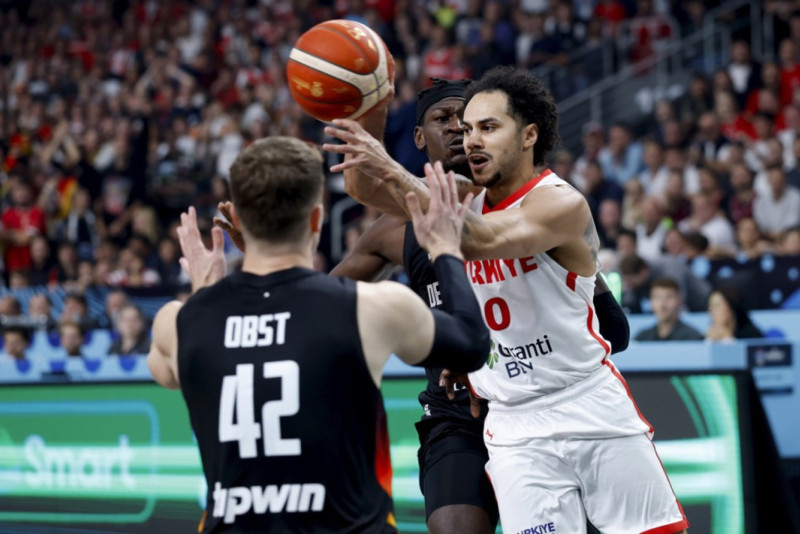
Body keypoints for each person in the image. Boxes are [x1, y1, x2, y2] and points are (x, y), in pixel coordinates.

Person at [217, 79, 629, 534]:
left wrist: (512, 349)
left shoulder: (529, 205)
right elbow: (320, 298)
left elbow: (614, 328)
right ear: (419, 137)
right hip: (457, 416)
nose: (457, 129)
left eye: (468, 122)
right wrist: (268, 254)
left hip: (539, 401)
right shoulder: (393, 229)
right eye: (443, 119)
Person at [324, 66, 688, 534]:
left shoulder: (560, 202)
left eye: (488, 127)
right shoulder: (461, 195)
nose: (470, 139)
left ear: (528, 135)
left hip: (585, 402)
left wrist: (389, 166)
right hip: (512, 423)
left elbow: (481, 237)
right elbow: (365, 187)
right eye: (467, 129)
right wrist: (371, 106)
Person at [147, 137, 490, 533]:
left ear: (237, 219)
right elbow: (471, 343)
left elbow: (178, 369)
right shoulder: (368, 307)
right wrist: (445, 248)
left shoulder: (180, 323)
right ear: (316, 219)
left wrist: (206, 291)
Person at [634, 278, 704, 341]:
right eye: (657, 297)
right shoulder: (642, 338)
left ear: (679, 301)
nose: (662, 304)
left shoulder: (692, 337)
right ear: (651, 302)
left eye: (668, 297)